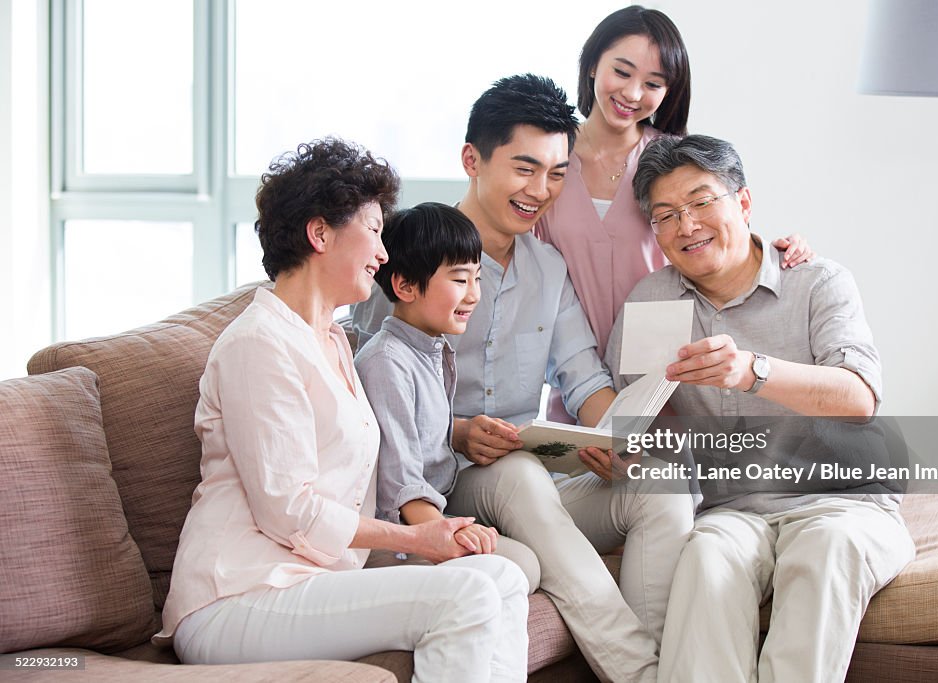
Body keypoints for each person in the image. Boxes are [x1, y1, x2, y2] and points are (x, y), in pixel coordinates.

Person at [353, 75, 694, 683]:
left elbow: (584, 378)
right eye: (524, 168)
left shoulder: (548, 267)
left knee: (660, 485)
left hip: (527, 476)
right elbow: (366, 394)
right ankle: (642, 674)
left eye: (557, 174)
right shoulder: (406, 258)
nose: (540, 191)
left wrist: (616, 437)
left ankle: (659, 658)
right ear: (472, 160)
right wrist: (456, 432)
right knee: (518, 476)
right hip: (442, 485)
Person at [155, 139, 529, 683]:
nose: (383, 254)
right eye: (375, 231)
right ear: (320, 233)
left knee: (505, 578)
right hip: (238, 594)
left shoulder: (332, 340)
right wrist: (414, 539)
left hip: (309, 578)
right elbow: (288, 510)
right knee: (467, 592)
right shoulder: (257, 344)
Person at [604, 134, 916, 682]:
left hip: (844, 503)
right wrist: (630, 442)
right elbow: (639, 420)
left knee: (824, 551)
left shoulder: (816, 281)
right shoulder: (653, 302)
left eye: (702, 202)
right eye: (666, 215)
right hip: (734, 510)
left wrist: (753, 372)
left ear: (743, 202)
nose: (687, 225)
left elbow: (859, 396)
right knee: (704, 560)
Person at [535, 5, 812, 422]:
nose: (632, 94)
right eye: (622, 72)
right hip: (573, 378)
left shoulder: (669, 161)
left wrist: (783, 249)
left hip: (666, 378)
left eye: (653, 83)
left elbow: (716, 231)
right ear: (593, 65)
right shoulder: (547, 158)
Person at [354, 202, 541, 592]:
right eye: (459, 280)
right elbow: (400, 484)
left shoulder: (432, 349)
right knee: (522, 565)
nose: (474, 295)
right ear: (405, 286)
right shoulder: (386, 362)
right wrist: (443, 533)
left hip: (440, 502)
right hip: (407, 527)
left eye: (477, 278)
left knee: (526, 544)